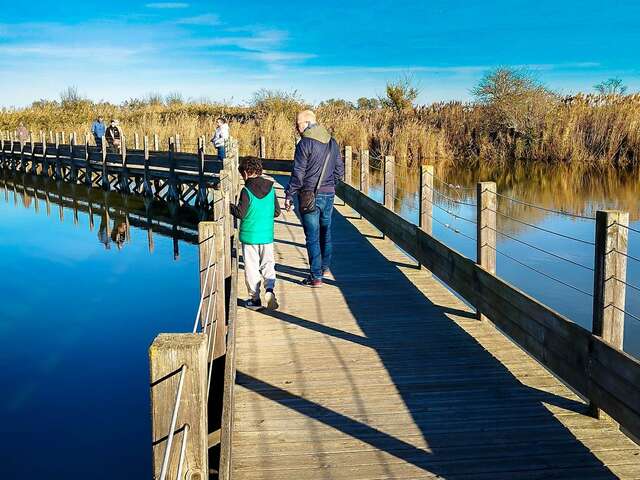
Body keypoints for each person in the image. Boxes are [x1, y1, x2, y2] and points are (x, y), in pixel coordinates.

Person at [284, 110, 344, 287]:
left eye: (298, 124)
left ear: (308, 123)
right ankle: (324, 267)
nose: (297, 128)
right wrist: (330, 185)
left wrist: (289, 193)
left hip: (309, 195)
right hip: (329, 193)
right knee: (326, 231)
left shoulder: (305, 143)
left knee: (312, 236)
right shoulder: (332, 142)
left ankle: (316, 276)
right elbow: (339, 171)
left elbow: (298, 173)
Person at [231, 157, 281, 310]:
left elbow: (241, 212)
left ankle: (255, 299)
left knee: (251, 267)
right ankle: (270, 289)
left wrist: (229, 206)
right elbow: (277, 212)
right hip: (266, 235)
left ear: (246, 173)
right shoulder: (271, 189)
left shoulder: (246, 191)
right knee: (268, 264)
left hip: (250, 236)